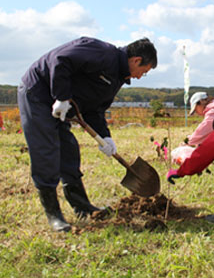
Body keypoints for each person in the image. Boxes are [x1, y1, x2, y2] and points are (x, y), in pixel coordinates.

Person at [18, 37, 157, 232]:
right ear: (136, 60)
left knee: (69, 150)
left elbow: (96, 110)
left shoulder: (116, 78)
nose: (141, 77)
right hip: (38, 94)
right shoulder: (101, 52)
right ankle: (53, 214)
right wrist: (62, 96)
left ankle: (82, 206)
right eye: (144, 71)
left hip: (62, 104)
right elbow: (60, 60)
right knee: (46, 150)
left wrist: (105, 136)